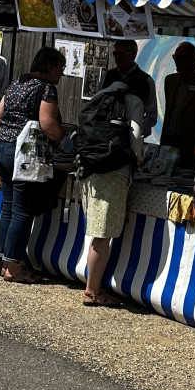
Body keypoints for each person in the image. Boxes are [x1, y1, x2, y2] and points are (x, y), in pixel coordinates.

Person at [0, 46, 68, 284]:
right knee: (23, 210)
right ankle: (14, 265)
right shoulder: (46, 88)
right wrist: (64, 139)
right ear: (50, 66)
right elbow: (47, 123)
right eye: (60, 67)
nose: (62, 73)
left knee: (8, 206)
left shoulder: (17, 82)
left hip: (2, 147)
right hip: (24, 154)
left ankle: (5, 260)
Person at [80, 76, 147, 307]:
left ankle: (92, 287)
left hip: (91, 168)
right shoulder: (133, 100)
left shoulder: (99, 98)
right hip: (114, 171)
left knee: (97, 234)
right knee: (102, 237)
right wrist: (139, 158)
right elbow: (136, 135)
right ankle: (92, 291)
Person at [160, 42, 195, 169]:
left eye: (181, 58)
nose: (177, 61)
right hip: (168, 139)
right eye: (175, 57)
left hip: (187, 142)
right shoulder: (170, 80)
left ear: (193, 59)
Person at [98, 39, 156, 138]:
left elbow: (151, 115)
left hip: (130, 136)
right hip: (106, 134)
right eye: (115, 53)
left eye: (122, 54)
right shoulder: (108, 75)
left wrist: (138, 131)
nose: (117, 57)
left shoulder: (146, 80)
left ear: (133, 55)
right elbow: (98, 103)